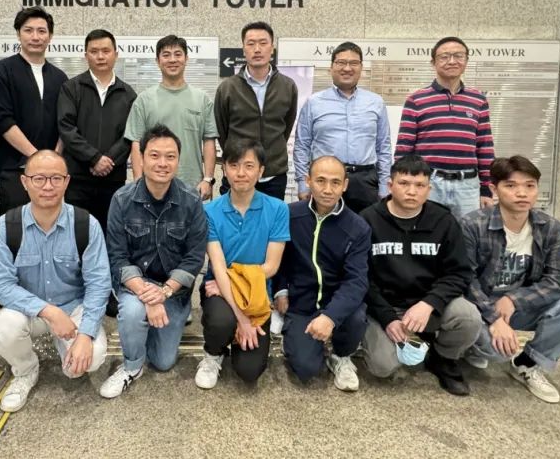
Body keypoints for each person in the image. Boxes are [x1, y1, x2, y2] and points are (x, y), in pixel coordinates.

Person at [0, 150, 111, 411]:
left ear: (67, 182)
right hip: (28, 311)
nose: (47, 186)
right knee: (6, 326)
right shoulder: (5, 227)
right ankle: (25, 370)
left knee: (89, 361)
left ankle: (65, 344)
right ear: (24, 182)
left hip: (73, 308)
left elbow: (99, 284)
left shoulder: (86, 224)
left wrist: (85, 335)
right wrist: (49, 312)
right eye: (39, 178)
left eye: (56, 178)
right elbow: (1, 286)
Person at [461, 155, 560, 404]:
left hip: (520, 304)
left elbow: (559, 281)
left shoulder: (551, 228)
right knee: (495, 353)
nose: (522, 193)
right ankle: (473, 346)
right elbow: (465, 279)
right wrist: (494, 318)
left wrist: (514, 300)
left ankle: (527, 363)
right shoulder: (472, 224)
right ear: (494, 189)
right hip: (481, 305)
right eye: (511, 185)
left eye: (530, 186)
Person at [99, 124, 207, 399]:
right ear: (142, 158)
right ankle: (131, 366)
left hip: (173, 290)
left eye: (170, 157)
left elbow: (194, 257)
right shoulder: (122, 200)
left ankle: (155, 327)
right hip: (135, 286)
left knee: (163, 361)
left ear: (178, 161)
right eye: (155, 155)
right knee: (132, 313)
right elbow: (117, 256)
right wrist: (147, 295)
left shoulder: (191, 201)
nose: (162, 163)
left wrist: (165, 292)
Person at [359, 155, 479, 396]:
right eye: (404, 183)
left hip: (426, 305)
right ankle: (403, 337)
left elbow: (458, 273)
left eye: (419, 185)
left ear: (429, 189)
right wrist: (387, 318)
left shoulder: (444, 221)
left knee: (469, 318)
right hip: (384, 306)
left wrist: (429, 304)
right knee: (383, 366)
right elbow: (362, 277)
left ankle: (443, 357)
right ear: (390, 186)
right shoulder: (367, 220)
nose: (412, 191)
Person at [194, 139, 289, 389]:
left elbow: (271, 267)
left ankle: (235, 338)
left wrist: (234, 284)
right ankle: (213, 353)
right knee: (221, 322)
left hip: (256, 295)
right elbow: (217, 266)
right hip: (218, 292)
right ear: (224, 169)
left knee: (249, 371)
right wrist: (242, 320)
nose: (241, 173)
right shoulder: (210, 211)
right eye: (234, 165)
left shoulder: (278, 209)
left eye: (249, 166)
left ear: (261, 171)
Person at [274, 155, 370, 391]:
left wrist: (330, 317)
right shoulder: (290, 214)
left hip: (337, 300)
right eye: (320, 181)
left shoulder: (358, 227)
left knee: (357, 317)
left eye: (335, 182)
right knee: (305, 369)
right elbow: (279, 259)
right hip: (301, 302)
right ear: (308, 181)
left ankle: (341, 356)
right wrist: (281, 290)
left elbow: (356, 281)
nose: (328, 189)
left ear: (345, 185)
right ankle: (297, 336)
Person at [395, 36, 495, 218]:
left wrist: (486, 189)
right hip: (428, 182)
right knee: (427, 230)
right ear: (433, 62)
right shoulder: (416, 100)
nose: (452, 61)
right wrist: (402, 184)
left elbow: (485, 148)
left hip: (468, 186)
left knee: (467, 233)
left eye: (458, 56)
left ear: (466, 61)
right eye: (444, 57)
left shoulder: (478, 100)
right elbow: (404, 148)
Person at [0, 7, 68, 215]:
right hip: (15, 170)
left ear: (50, 36)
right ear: (18, 34)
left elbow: (65, 122)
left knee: (52, 222)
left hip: (52, 173)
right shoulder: (1, 71)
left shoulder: (60, 77)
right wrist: (36, 157)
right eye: (28, 30)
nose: (35, 37)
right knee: (15, 225)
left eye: (41, 31)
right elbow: (2, 120)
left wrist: (54, 158)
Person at [294, 41, 392, 213]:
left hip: (365, 181)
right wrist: (303, 183)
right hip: (326, 179)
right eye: (341, 63)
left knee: (365, 227)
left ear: (361, 68)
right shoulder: (314, 102)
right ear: (331, 67)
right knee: (325, 226)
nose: (347, 68)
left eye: (353, 63)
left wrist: (384, 185)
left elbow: (383, 147)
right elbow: (302, 146)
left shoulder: (376, 102)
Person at [58, 29, 137, 228]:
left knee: (111, 234)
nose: (100, 56)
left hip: (113, 180)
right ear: (86, 55)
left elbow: (130, 134)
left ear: (116, 54)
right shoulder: (71, 88)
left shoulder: (128, 94)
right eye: (94, 51)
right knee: (78, 233)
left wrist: (107, 160)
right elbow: (66, 128)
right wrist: (94, 158)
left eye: (106, 51)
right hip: (78, 180)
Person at [124, 35, 217, 198]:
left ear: (186, 59)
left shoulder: (202, 99)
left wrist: (208, 179)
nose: (172, 60)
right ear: (157, 61)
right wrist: (139, 182)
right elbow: (136, 143)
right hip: (152, 187)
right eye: (166, 55)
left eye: (178, 54)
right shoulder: (144, 100)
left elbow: (209, 140)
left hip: (192, 188)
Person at [214, 21, 298, 200]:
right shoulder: (228, 88)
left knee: (271, 217)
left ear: (272, 48)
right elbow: (222, 131)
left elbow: (286, 126)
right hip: (238, 174)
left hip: (274, 175)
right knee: (232, 216)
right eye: (251, 44)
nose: (257, 49)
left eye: (263, 43)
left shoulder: (288, 86)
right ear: (243, 49)